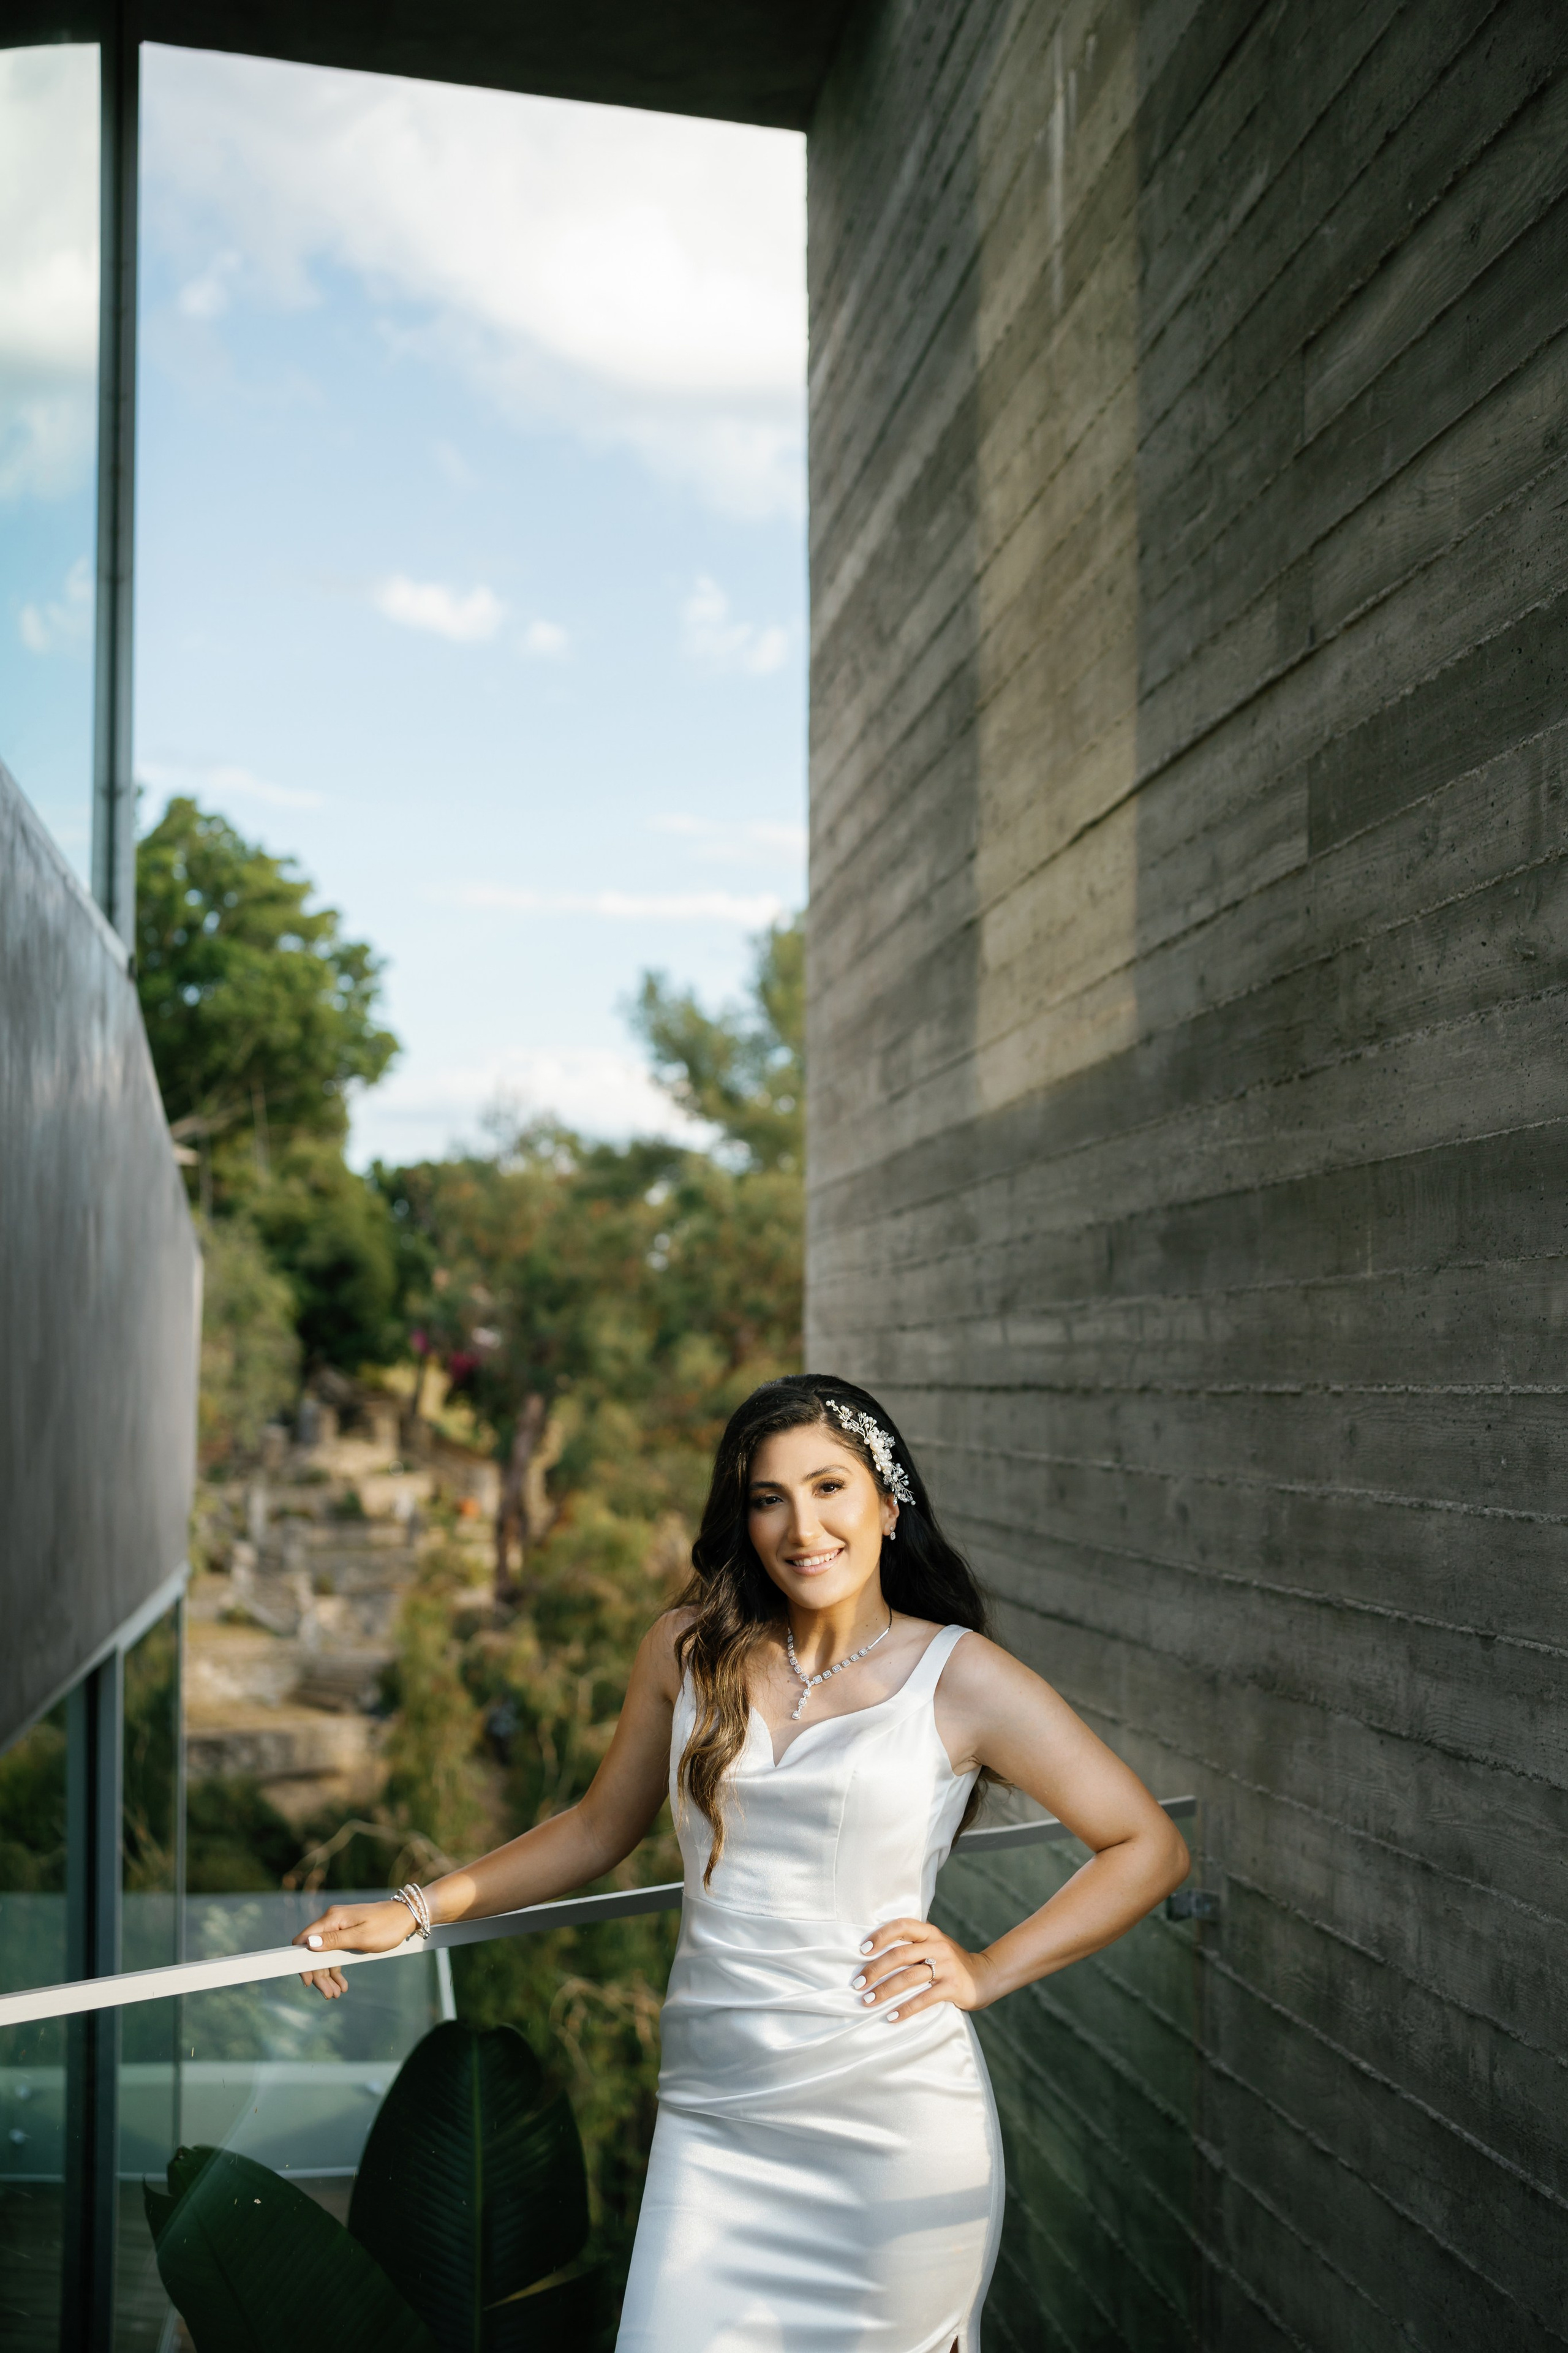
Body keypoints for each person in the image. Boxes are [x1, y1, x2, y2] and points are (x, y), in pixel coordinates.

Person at [296, 1373, 1189, 2352]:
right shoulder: (688, 1649)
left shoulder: (962, 1675)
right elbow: (595, 1829)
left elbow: (1146, 1844)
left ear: (890, 1504)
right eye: (770, 1498)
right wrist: (416, 1908)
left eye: (830, 1487)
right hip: (711, 2120)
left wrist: (986, 1969)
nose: (802, 1527)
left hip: (891, 2123)